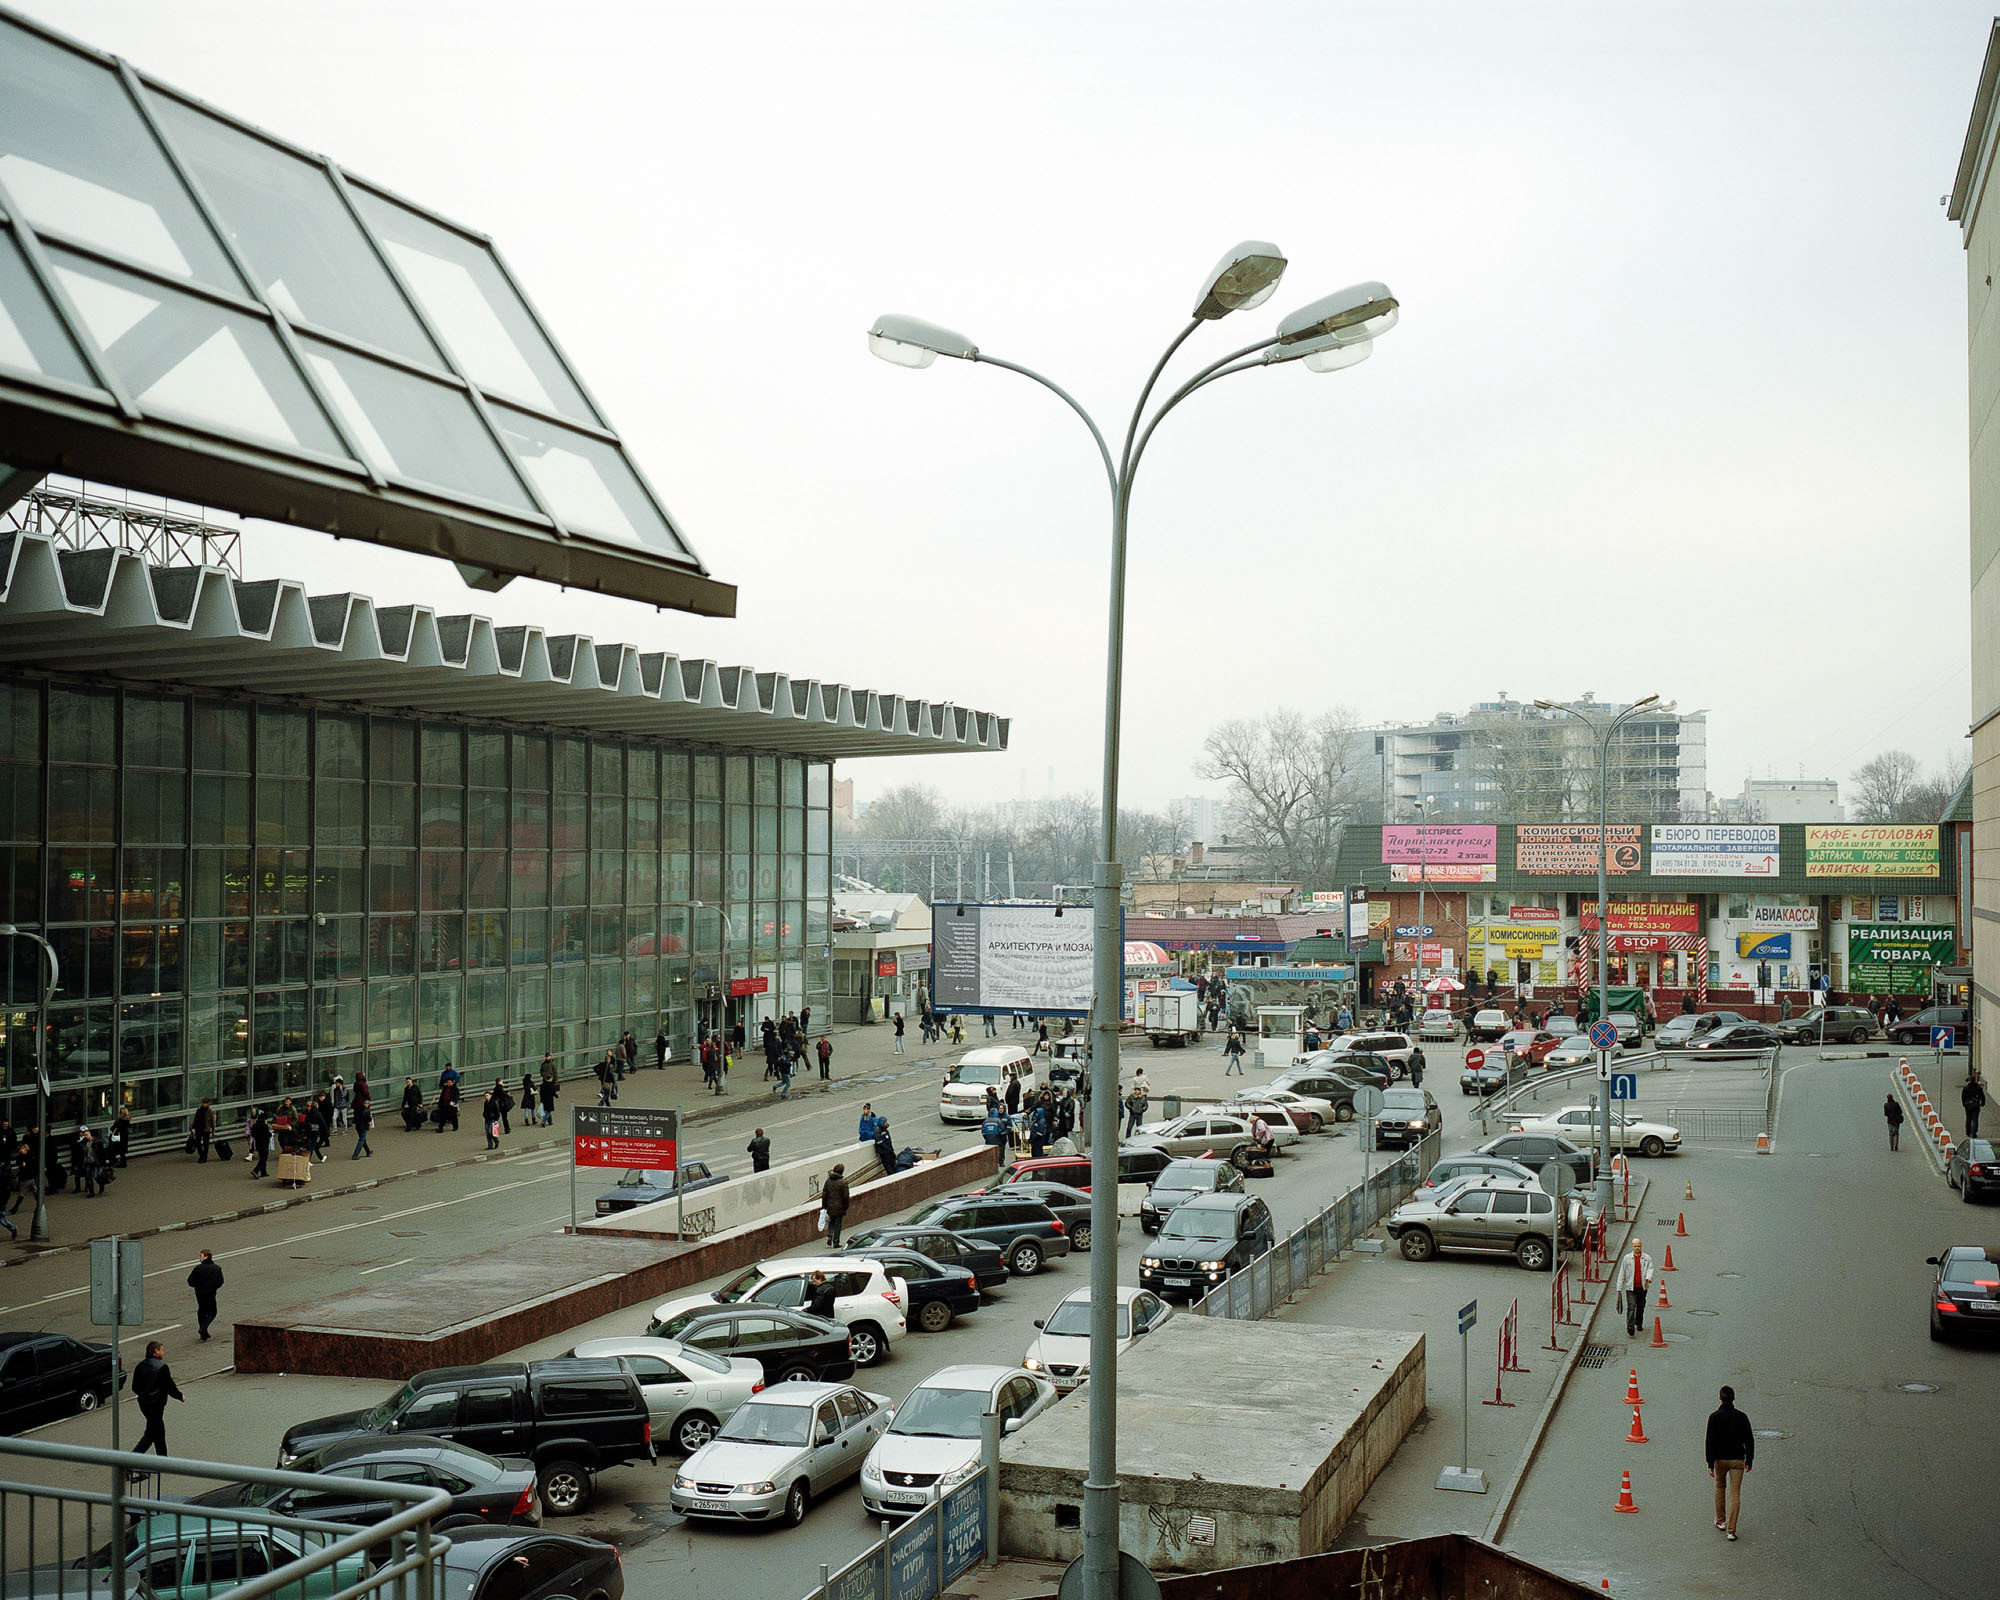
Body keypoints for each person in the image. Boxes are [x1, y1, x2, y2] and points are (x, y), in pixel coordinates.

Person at [1705, 1385, 1755, 1540]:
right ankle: (1731, 1530)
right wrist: (1749, 1459)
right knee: (1735, 1493)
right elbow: (1749, 1440)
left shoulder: (1714, 1417)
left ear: (1720, 1398)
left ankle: (1720, 1520)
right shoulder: (1742, 1417)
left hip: (1720, 1460)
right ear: (1734, 1398)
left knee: (1720, 1487)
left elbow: (1710, 1441)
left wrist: (1710, 1463)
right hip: (1737, 1460)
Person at [131, 1341, 183, 1461]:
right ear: (156, 1351)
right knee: (151, 1434)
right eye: (161, 1350)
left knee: (158, 1431)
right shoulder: (162, 1367)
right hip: (156, 1405)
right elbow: (169, 1386)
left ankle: (163, 1460)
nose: (163, 1352)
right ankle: (130, 1461)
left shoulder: (140, 1366)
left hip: (144, 1404)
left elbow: (135, 1387)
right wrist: (180, 1396)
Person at [1616, 1238, 1655, 1336]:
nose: (1637, 1248)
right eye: (1635, 1246)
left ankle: (1639, 1322)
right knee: (1631, 1307)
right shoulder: (1627, 1258)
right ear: (1632, 1246)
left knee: (1640, 1307)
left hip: (1642, 1288)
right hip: (1631, 1288)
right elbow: (1622, 1272)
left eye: (1638, 1246)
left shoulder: (1646, 1258)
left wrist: (1648, 1277)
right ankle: (1630, 1326)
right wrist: (1619, 1287)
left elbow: (1650, 1268)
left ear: (1641, 1246)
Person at [187, 1248, 224, 1342]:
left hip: (199, 1294)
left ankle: (203, 1332)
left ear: (206, 1257)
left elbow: (190, 1281)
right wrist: (213, 1288)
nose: (199, 1258)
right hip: (211, 1294)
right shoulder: (216, 1268)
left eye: (201, 1256)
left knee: (201, 1311)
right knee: (212, 1312)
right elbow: (220, 1281)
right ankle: (204, 1328)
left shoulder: (198, 1268)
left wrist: (198, 1287)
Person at [821, 1163, 850, 1249]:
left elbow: (824, 1195)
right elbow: (846, 1196)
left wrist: (824, 1206)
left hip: (830, 1206)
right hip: (839, 1207)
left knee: (831, 1222)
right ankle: (836, 1242)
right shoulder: (843, 1182)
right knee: (838, 1224)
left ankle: (830, 1235)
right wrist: (846, 1206)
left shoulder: (828, 1181)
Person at [1963, 1073, 1987, 1139]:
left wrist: (1964, 1104)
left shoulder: (1966, 1088)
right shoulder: (1978, 1088)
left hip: (1968, 1106)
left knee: (1968, 1119)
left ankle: (1968, 1132)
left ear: (1969, 1080)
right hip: (1976, 1105)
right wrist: (1982, 1103)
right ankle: (1974, 1133)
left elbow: (1963, 1097)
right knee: (1975, 1119)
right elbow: (1982, 1096)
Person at [191, 1099, 215, 1164]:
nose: (205, 1104)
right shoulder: (199, 1110)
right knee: (198, 1143)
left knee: (205, 1144)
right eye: (204, 1103)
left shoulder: (210, 1111)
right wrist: (192, 1127)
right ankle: (201, 1155)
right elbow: (195, 1119)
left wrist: (213, 1130)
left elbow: (212, 1121)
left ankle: (204, 1157)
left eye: (206, 1103)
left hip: (206, 1129)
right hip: (198, 1128)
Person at [350, 1094, 374, 1158]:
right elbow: (368, 1119)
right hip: (364, 1126)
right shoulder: (366, 1110)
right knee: (361, 1140)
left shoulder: (357, 1108)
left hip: (358, 1126)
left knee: (363, 1139)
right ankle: (355, 1154)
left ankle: (368, 1151)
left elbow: (355, 1118)